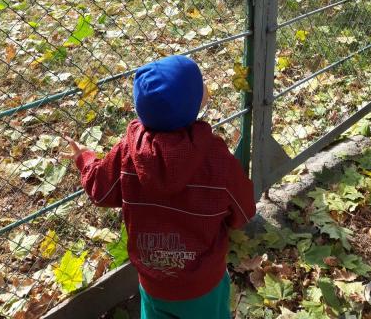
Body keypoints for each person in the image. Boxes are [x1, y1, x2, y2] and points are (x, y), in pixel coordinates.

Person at [64, 54, 256, 318]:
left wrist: (84, 159)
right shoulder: (215, 159)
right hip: (203, 285)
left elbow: (100, 189)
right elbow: (244, 210)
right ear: (193, 105)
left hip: (154, 283)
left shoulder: (128, 153)